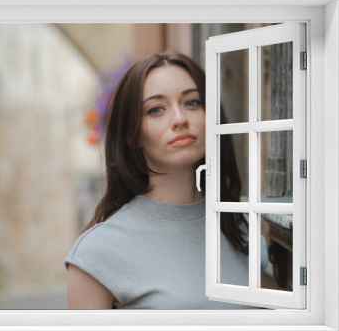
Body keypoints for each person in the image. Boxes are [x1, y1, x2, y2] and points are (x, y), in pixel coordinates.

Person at [65, 52, 268, 309]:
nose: (180, 119)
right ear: (132, 135)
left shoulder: (244, 229)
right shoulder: (97, 253)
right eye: (156, 109)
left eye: (192, 102)